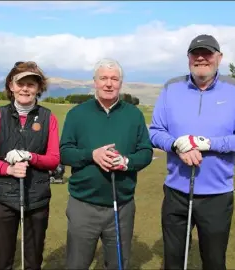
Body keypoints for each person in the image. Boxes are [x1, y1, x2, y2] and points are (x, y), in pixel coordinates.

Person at [149, 34, 235, 270]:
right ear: (188, 58)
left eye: (207, 53)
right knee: (173, 262)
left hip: (217, 195)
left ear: (218, 57)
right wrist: (177, 144)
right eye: (195, 54)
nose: (201, 58)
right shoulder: (171, 88)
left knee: (214, 261)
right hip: (176, 193)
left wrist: (207, 143)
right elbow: (155, 131)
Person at [59, 58, 153, 269]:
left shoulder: (134, 114)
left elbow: (146, 152)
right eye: (103, 78)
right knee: (77, 264)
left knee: (118, 264)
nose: (108, 84)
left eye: (114, 79)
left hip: (122, 206)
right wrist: (92, 155)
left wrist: (127, 161)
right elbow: (64, 153)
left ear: (120, 83)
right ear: (95, 82)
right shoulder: (77, 114)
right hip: (83, 205)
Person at [0, 61, 60, 269]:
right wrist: (9, 169)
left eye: (31, 84)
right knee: (3, 260)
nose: (25, 88)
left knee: (33, 261)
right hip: (4, 198)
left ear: (38, 89)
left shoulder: (48, 117)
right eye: (20, 83)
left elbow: (53, 159)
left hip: (37, 199)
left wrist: (31, 157)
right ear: (11, 86)